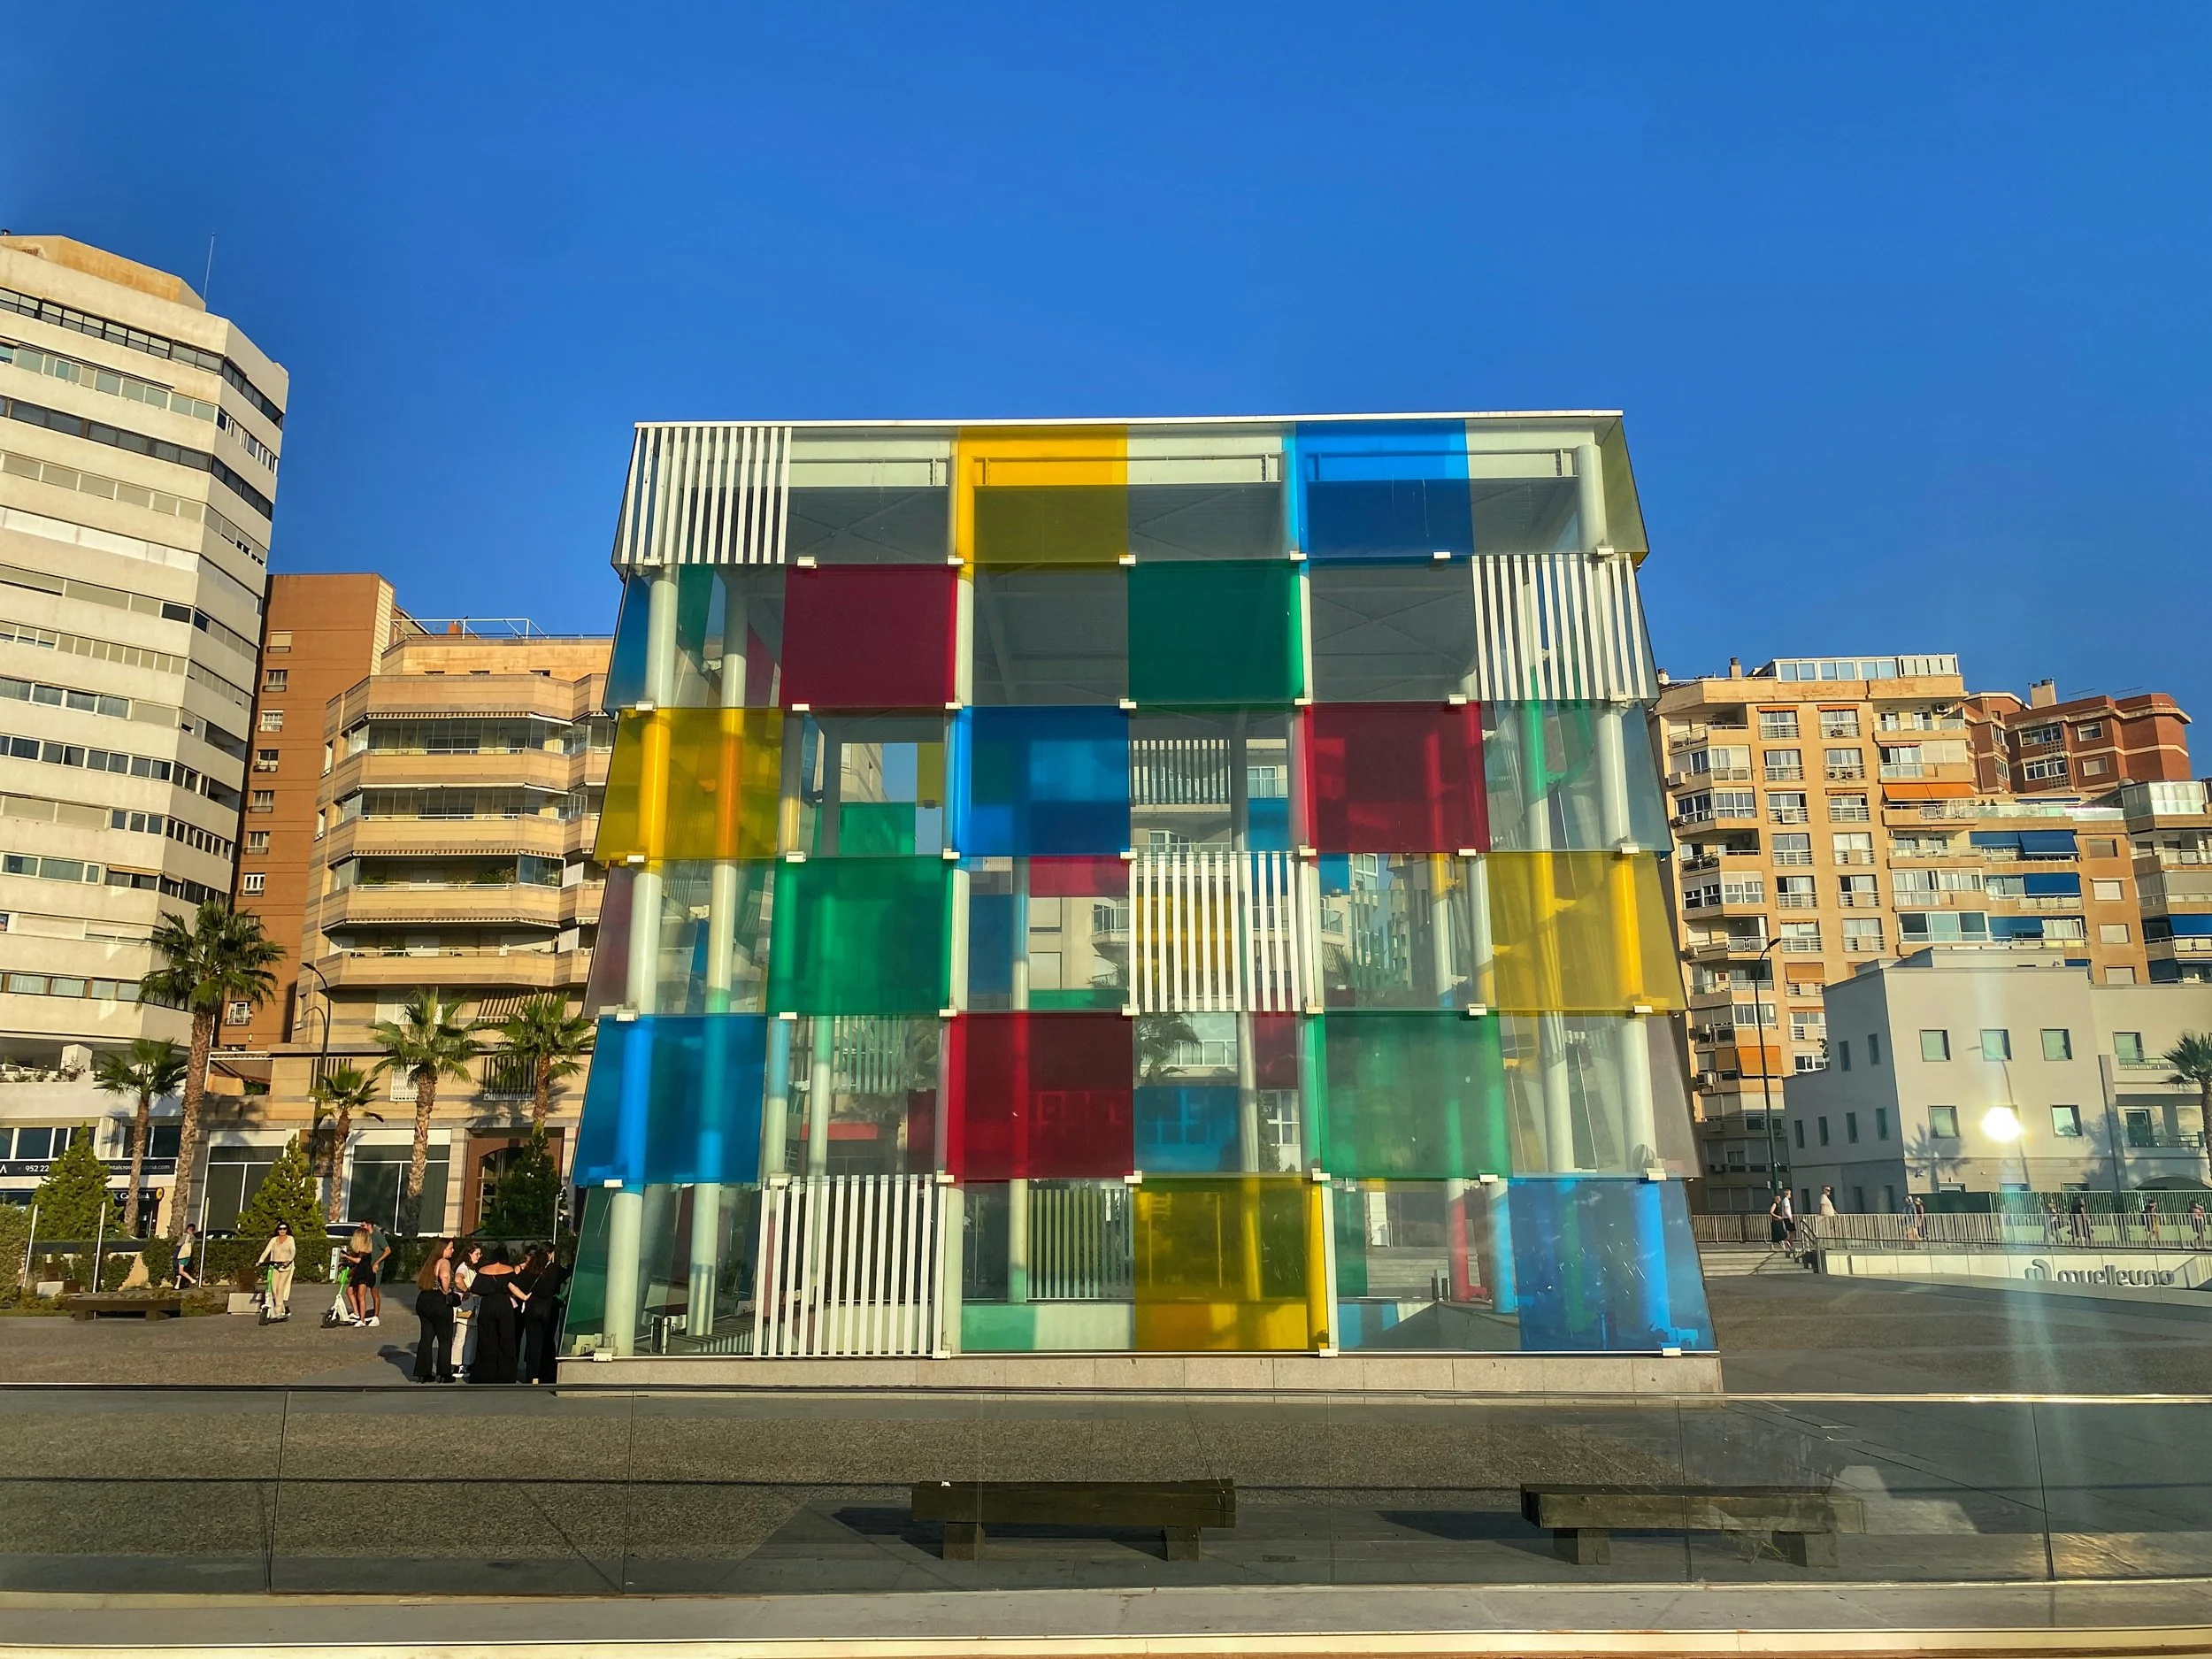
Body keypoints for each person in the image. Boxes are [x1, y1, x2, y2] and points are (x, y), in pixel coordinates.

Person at [467, 1244, 523, 1385]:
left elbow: (474, 1289)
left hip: (487, 1305)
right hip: (504, 1305)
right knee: (506, 1339)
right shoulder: (509, 1270)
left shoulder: (483, 1270)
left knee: (486, 1339)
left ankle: (484, 1374)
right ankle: (505, 1375)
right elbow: (516, 1287)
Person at [518, 1246, 568, 1384]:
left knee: (533, 1342)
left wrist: (524, 1297)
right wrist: (561, 1296)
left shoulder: (531, 1268)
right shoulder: (555, 1269)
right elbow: (569, 1277)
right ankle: (547, 1372)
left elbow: (514, 1283)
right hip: (549, 1307)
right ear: (550, 1254)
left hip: (532, 1306)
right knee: (548, 1341)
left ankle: (532, 1375)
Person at [411, 1238, 458, 1384]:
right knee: (444, 1338)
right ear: (443, 1249)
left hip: (424, 1299)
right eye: (450, 1248)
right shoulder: (444, 1262)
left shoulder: (429, 1263)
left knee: (426, 1337)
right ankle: (444, 1373)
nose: (452, 1251)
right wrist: (447, 1292)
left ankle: (423, 1372)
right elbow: (444, 1276)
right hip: (439, 1301)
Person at [452, 1243, 485, 1380]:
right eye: (477, 1253)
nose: (479, 1256)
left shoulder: (471, 1268)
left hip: (471, 1307)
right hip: (465, 1306)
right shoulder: (464, 1267)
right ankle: (456, 1363)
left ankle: (467, 1362)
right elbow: (458, 1279)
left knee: (470, 1337)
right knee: (461, 1336)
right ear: (469, 1254)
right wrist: (468, 1291)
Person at [256, 1223, 297, 1320]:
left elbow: (293, 1251)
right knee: (273, 1288)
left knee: (280, 1287)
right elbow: (267, 1251)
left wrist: (289, 1260)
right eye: (280, 1229)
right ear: (277, 1230)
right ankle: (283, 1308)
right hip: (274, 1265)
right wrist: (260, 1261)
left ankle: (278, 1309)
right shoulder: (274, 1240)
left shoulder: (290, 1239)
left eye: (284, 1229)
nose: (282, 1231)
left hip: (285, 1266)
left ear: (287, 1230)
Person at [341, 1222, 375, 1325]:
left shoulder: (366, 1252)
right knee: (350, 1291)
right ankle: (356, 1313)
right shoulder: (360, 1251)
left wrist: (347, 1257)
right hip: (359, 1272)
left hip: (364, 1273)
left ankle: (362, 1320)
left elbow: (359, 1261)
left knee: (361, 1296)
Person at [365, 1219, 393, 1324]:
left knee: (374, 1291)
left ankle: (376, 1316)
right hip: (367, 1267)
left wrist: (377, 1262)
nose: (361, 1228)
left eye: (363, 1225)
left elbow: (388, 1250)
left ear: (369, 1226)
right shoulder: (367, 1237)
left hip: (376, 1268)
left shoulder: (377, 1236)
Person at [174, 1224, 198, 1290]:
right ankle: (177, 1285)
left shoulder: (185, 1236)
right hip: (188, 1255)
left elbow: (179, 1244)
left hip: (182, 1255)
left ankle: (192, 1280)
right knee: (181, 1270)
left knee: (180, 1271)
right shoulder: (193, 1238)